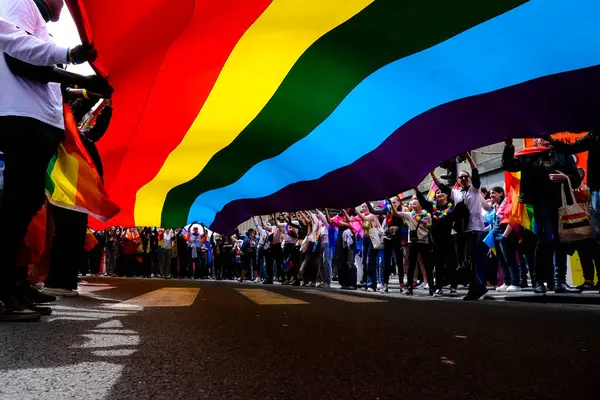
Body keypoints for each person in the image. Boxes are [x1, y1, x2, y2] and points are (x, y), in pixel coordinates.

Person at [0, 0, 102, 319]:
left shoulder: (35, 18)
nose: (63, 4)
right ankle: (3, 290)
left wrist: (85, 84)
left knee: (24, 204)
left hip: (34, 122)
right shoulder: (21, 4)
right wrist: (77, 68)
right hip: (22, 120)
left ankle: (11, 284)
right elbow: (19, 58)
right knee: (17, 205)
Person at [502, 138, 582, 294]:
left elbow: (576, 178)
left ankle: (560, 282)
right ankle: (539, 281)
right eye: (540, 136)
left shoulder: (562, 153)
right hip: (540, 203)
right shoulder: (528, 155)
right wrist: (509, 146)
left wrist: (565, 179)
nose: (544, 138)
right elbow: (509, 165)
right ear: (536, 140)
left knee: (561, 241)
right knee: (545, 239)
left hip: (561, 203)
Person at [432, 153, 491, 300]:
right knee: (467, 260)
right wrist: (432, 173)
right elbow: (441, 186)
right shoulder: (455, 193)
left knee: (471, 259)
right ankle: (478, 287)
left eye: (466, 177)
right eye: (461, 177)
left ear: (469, 179)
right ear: (458, 180)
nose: (464, 179)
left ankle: (475, 289)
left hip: (475, 229)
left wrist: (469, 158)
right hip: (463, 231)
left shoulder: (475, 190)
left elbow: (476, 173)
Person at [415, 188, 458, 297]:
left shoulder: (452, 207)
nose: (440, 194)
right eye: (437, 192)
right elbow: (423, 202)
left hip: (449, 238)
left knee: (451, 263)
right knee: (438, 264)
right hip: (437, 240)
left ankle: (453, 287)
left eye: (442, 192)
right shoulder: (432, 207)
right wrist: (417, 190)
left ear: (448, 195)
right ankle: (438, 287)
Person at [389, 198, 435, 296]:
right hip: (413, 243)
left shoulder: (427, 215)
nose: (412, 206)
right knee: (411, 266)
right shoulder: (410, 215)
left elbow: (430, 227)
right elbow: (396, 213)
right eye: (411, 204)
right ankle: (410, 287)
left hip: (424, 242)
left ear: (420, 205)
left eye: (414, 204)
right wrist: (390, 203)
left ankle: (432, 288)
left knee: (427, 266)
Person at [487, 187, 521, 292]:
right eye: (490, 193)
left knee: (510, 259)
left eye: (493, 193)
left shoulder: (507, 204)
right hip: (496, 235)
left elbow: (512, 219)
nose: (491, 195)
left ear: (501, 193)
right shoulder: (495, 207)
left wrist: (505, 235)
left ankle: (515, 283)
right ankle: (506, 282)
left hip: (505, 235)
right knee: (502, 260)